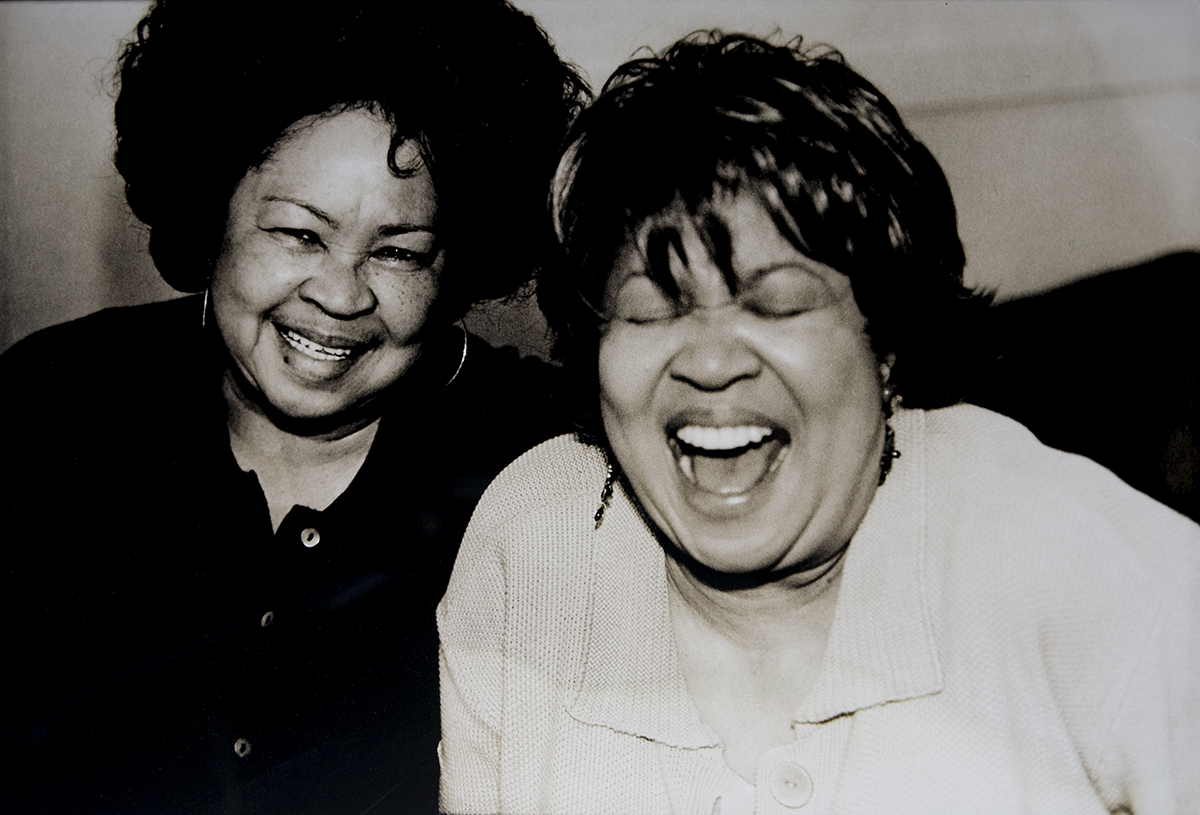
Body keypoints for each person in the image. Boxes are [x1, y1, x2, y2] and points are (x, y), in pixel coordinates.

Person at [437, 32, 1200, 814]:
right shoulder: (531, 542)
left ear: (887, 341)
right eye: (649, 308)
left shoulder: (1092, 569)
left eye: (778, 304)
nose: (708, 362)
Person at [0, 2, 586, 813]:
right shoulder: (50, 406)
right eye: (300, 235)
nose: (341, 294)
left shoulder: (549, 471)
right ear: (213, 218)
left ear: (458, 267)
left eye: (398, 252)